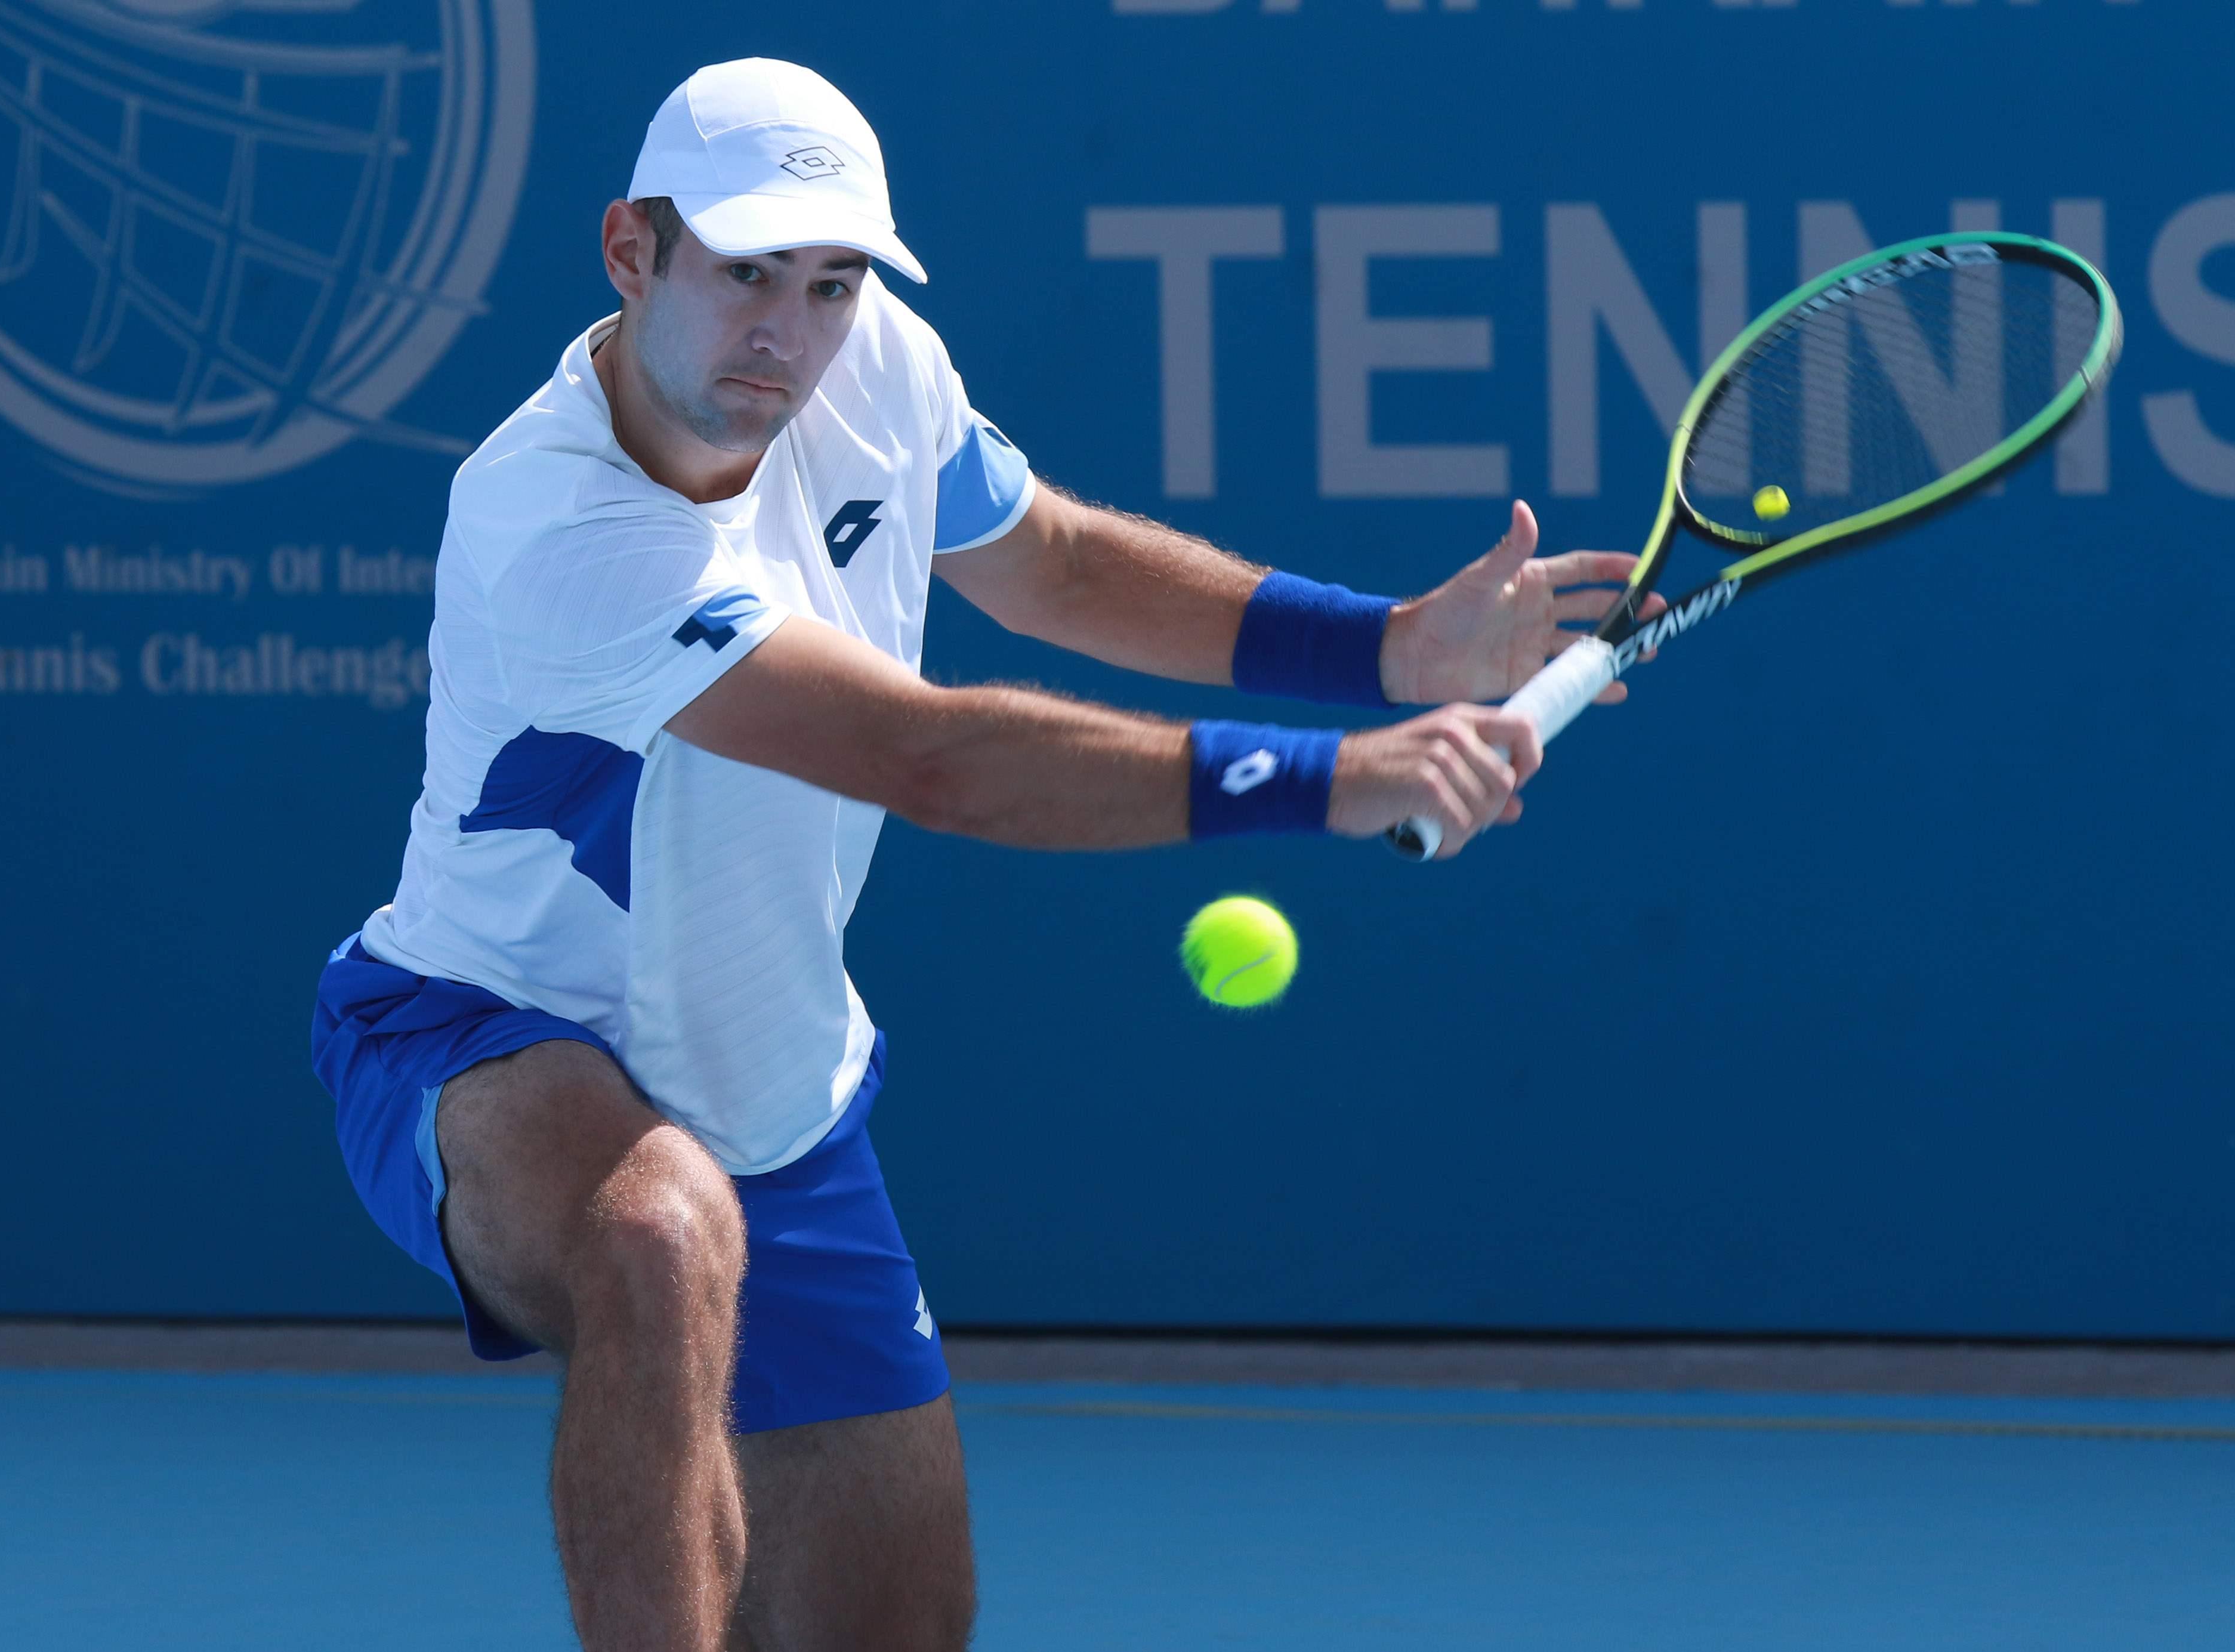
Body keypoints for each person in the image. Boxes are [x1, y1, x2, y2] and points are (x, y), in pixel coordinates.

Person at [311, 58, 1653, 1652]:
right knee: (656, 1236)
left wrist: (1386, 650)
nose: (788, 331)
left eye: (830, 283)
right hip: (481, 1029)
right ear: (629, 252)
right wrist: (1334, 780)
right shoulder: (556, 521)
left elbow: (1057, 565)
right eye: (747, 273)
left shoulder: (876, 366)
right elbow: (924, 755)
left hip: (768, 1072)